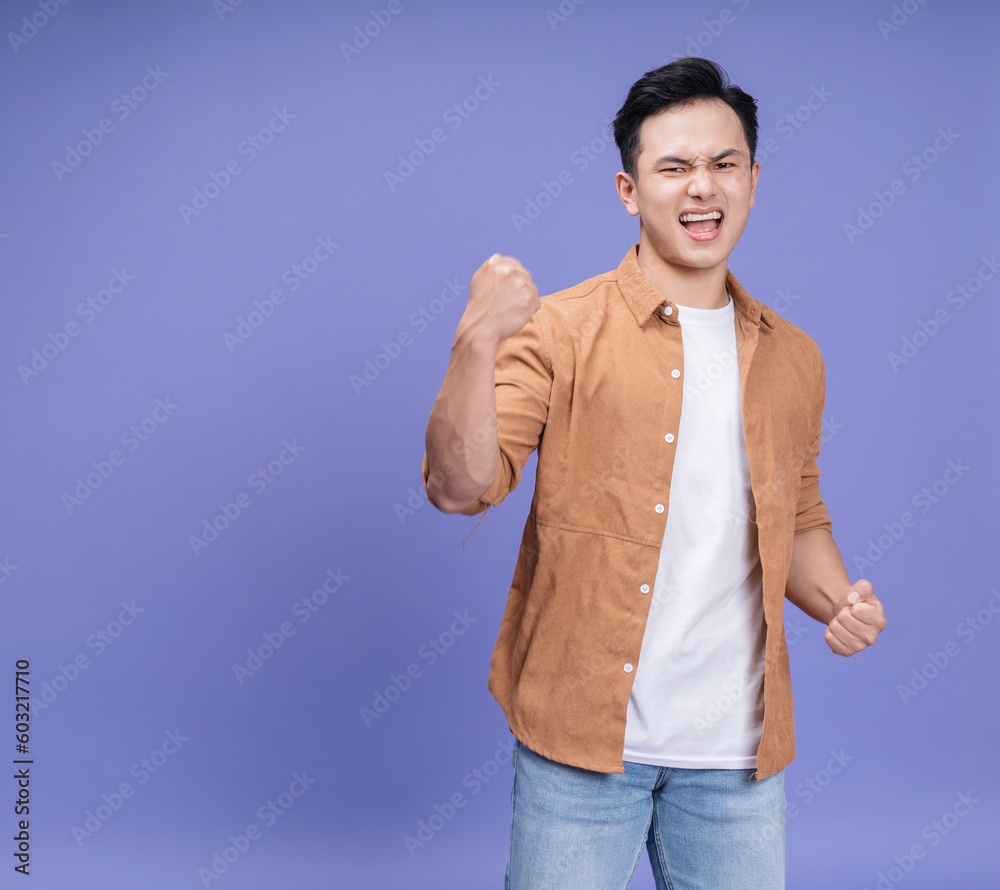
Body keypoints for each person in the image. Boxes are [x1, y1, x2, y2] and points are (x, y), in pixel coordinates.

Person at [419, 57, 886, 890]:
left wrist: (838, 603)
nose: (701, 187)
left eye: (723, 163)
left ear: (752, 178)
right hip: (581, 747)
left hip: (740, 759)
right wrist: (474, 345)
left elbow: (798, 515)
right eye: (673, 167)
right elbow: (459, 487)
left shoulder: (794, 356)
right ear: (630, 191)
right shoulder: (559, 330)